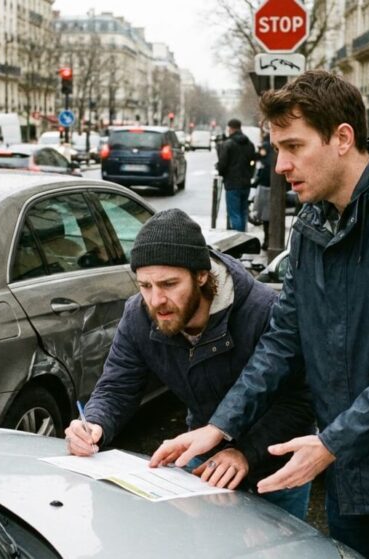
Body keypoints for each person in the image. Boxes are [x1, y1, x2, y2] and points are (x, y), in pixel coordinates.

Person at [150, 70, 369, 558]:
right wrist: (219, 426)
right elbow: (283, 340)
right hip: (351, 469)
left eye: (293, 147)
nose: (280, 165)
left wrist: (330, 442)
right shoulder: (312, 223)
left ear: (342, 138)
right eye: (276, 149)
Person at [65, 208, 316, 519]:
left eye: (169, 284)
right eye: (145, 286)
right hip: (201, 456)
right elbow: (117, 387)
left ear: (201, 275)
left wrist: (245, 453)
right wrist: (94, 425)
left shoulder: (263, 311)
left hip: (276, 465)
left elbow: (301, 400)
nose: (156, 300)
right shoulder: (138, 316)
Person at [216, 119, 257, 231]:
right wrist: (249, 175)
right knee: (243, 211)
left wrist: (221, 171)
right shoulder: (249, 144)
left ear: (230, 128)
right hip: (246, 183)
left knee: (234, 213)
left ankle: (238, 238)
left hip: (232, 183)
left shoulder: (228, 144)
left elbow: (222, 164)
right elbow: (253, 162)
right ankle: (243, 237)